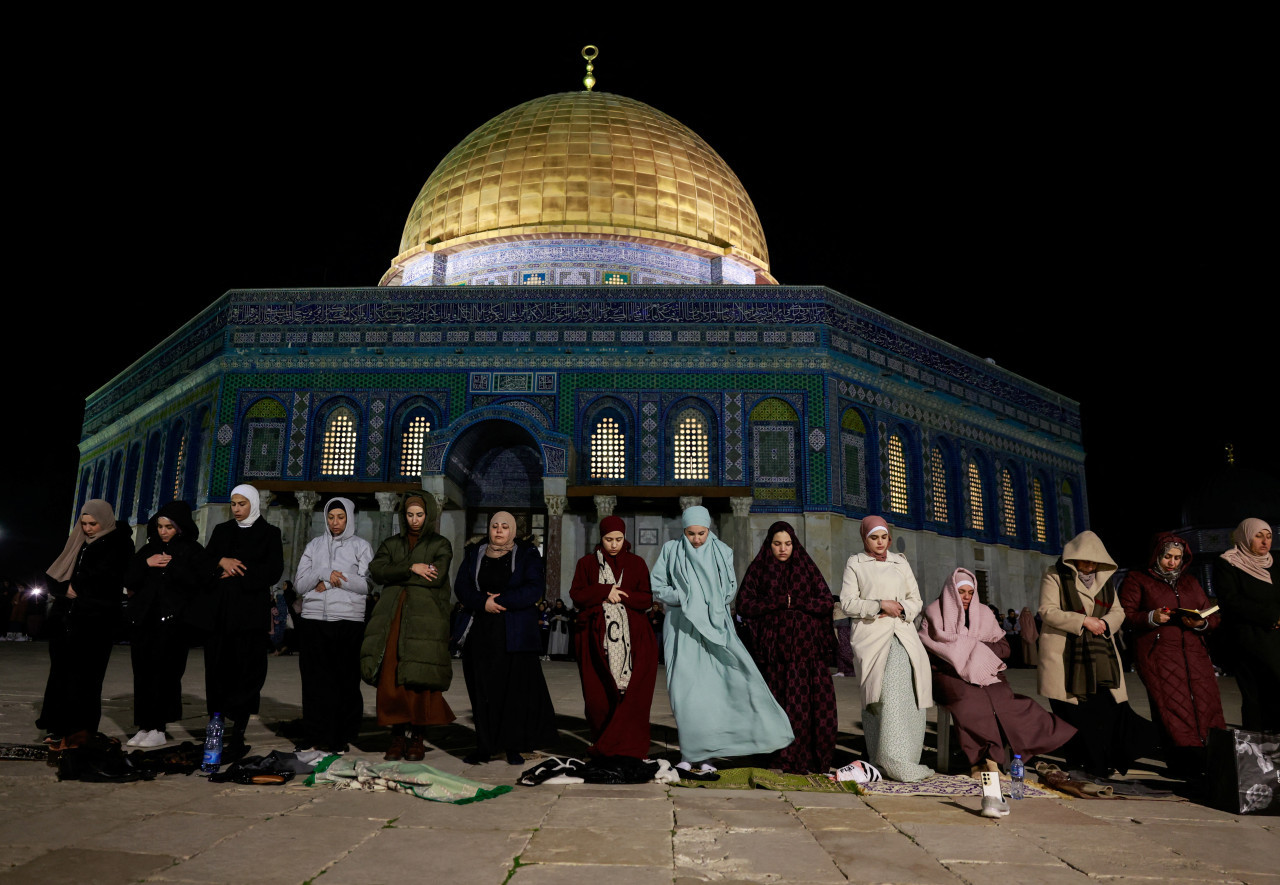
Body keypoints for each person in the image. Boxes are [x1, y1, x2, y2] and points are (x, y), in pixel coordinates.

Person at [651, 505, 793, 775]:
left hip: (716, 627)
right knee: (684, 693)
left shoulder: (722, 551)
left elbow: (730, 589)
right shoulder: (671, 551)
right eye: (691, 534)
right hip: (682, 628)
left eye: (701, 533)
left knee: (713, 694)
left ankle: (708, 756)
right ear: (684, 531)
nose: (696, 539)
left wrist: (708, 604)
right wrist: (685, 598)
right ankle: (688, 751)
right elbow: (658, 586)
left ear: (709, 529)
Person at [920, 568, 1075, 777]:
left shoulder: (984, 613)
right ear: (950, 591)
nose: (966, 597)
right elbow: (928, 651)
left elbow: (1004, 648)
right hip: (948, 674)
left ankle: (994, 758)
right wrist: (962, 655)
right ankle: (979, 762)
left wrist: (972, 648)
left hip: (986, 672)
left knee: (1006, 701)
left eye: (970, 592)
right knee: (970, 702)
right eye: (961, 592)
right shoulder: (934, 613)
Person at [1038, 530, 1157, 778]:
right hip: (1066, 656)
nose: (1090, 565)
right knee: (1073, 713)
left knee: (1104, 711)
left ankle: (1101, 761)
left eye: (1094, 560)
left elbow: (1118, 611)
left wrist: (1104, 624)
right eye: (1085, 560)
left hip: (1100, 656)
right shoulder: (1055, 575)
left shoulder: (1105, 580)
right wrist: (1083, 621)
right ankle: (1079, 761)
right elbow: (1047, 611)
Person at [736, 521, 839, 774]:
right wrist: (779, 602)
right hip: (774, 657)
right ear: (769, 545)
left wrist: (798, 602)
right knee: (779, 706)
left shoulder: (807, 568)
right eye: (777, 543)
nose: (783, 549)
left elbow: (826, 601)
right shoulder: (759, 569)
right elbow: (745, 605)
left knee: (809, 707)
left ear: (795, 545)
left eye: (788, 544)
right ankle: (780, 757)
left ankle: (810, 758)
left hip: (807, 657)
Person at [1119, 533, 1226, 776]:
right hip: (1159, 654)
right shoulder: (1138, 579)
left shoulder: (1189, 582)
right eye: (1167, 556)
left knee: (1206, 703)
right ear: (1156, 555)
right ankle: (1182, 763)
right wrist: (1151, 617)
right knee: (1171, 707)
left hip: (1194, 653)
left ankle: (1211, 758)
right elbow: (1126, 614)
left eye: (1177, 558)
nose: (1172, 562)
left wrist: (1201, 624)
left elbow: (1212, 615)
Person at [454, 511, 556, 765]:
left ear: (513, 531)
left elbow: (534, 588)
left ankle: (513, 747)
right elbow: (462, 587)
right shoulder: (474, 554)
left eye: (504, 527)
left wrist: (498, 601)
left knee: (513, 692)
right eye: (495, 526)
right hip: (481, 632)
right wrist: (482, 602)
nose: (499, 531)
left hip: (513, 634)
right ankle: (485, 747)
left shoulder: (526, 555)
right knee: (482, 691)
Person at [361, 492, 455, 761]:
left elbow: (435, 578)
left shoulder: (441, 544)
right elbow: (377, 572)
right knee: (392, 680)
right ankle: (397, 736)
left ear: (429, 516)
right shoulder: (391, 543)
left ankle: (418, 738)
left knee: (419, 681)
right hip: (394, 620)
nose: (415, 520)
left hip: (425, 624)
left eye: (420, 515)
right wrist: (412, 567)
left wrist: (398, 574)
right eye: (410, 515)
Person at [838, 516, 934, 782]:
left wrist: (902, 610)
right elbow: (847, 603)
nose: (879, 543)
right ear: (865, 539)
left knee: (909, 694)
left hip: (902, 633)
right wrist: (880, 604)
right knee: (883, 696)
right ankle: (887, 758)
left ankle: (904, 758)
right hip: (873, 636)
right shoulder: (855, 563)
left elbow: (916, 598)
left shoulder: (899, 562)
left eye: (883, 537)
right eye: (873, 538)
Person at [36, 499, 133, 746]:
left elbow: (105, 580)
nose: (88, 528)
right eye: (85, 523)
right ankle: (57, 726)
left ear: (105, 521)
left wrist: (75, 589)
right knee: (60, 675)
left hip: (96, 623)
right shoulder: (78, 541)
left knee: (87, 679)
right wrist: (64, 590)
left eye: (93, 523)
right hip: (66, 621)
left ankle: (81, 731)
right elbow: (54, 574)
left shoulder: (118, 544)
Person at [204, 483, 284, 756]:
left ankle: (238, 729)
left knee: (247, 669)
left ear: (254, 504)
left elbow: (273, 570)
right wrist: (221, 561)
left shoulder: (269, 534)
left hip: (249, 614)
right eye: (234, 504)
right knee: (218, 668)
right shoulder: (222, 531)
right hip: (221, 613)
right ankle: (216, 725)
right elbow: (205, 562)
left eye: (242, 504)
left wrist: (238, 571)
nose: (237, 509)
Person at [568, 515, 658, 758]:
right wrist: (604, 591)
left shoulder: (637, 563)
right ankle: (603, 742)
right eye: (609, 539)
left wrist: (621, 594)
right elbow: (577, 594)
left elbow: (646, 598)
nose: (614, 544)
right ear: (601, 538)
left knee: (631, 696)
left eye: (619, 539)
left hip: (634, 641)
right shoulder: (587, 563)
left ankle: (629, 745)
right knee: (598, 697)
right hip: (596, 640)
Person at [123, 501, 207, 748]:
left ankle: (159, 727)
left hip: (173, 625)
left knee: (166, 675)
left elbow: (199, 583)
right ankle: (144, 725)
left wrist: (175, 565)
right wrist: (146, 564)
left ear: (179, 527)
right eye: (159, 526)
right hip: (144, 622)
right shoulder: (148, 551)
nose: (163, 531)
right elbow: (129, 579)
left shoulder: (193, 551)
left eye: (168, 527)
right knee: (143, 674)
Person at [294, 497, 373, 754]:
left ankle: (340, 735)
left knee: (344, 682)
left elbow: (366, 585)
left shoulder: (361, 547)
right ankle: (314, 734)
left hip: (348, 621)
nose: (335, 522)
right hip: (314, 621)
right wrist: (323, 572)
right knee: (315, 681)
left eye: (340, 517)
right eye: (331, 517)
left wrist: (329, 581)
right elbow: (300, 584)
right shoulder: (314, 545)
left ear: (349, 517)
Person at [1214, 518, 1279, 732]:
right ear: (1245, 536)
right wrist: (1270, 616)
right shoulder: (1228, 563)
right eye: (1258, 536)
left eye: (1268, 536)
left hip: (1275, 638)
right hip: (1249, 641)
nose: (1265, 542)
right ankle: (1258, 754)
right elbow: (1230, 601)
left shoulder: (1273, 563)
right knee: (1256, 697)